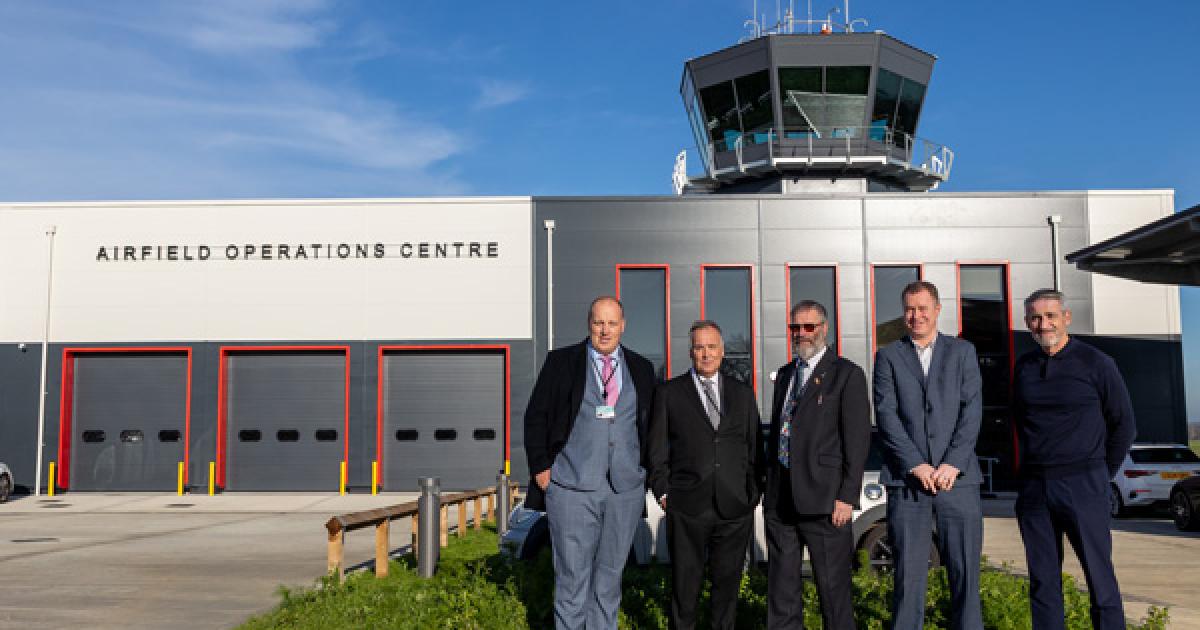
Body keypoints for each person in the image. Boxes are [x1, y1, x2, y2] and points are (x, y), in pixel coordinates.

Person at [523, 296, 658, 630]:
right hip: (571, 487)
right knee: (571, 579)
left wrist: (646, 475)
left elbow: (652, 427)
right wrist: (541, 468)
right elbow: (536, 416)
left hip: (624, 490)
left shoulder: (641, 368)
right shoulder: (561, 362)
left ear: (623, 326)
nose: (605, 330)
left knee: (610, 579)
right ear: (589, 323)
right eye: (599, 322)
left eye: (612, 323)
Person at [1013, 289, 1136, 630]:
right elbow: (1020, 421)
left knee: (1100, 579)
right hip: (1035, 489)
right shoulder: (1024, 367)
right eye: (1035, 318)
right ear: (1027, 322)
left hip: (1084, 484)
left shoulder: (1097, 363)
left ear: (1066, 317)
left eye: (1050, 316)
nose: (1044, 324)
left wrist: (1099, 475)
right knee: (1043, 582)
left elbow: (1124, 425)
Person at [873, 281, 984, 630]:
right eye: (909, 309)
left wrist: (952, 463)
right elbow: (886, 415)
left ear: (937, 309)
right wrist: (916, 464)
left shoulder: (962, 352)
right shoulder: (888, 356)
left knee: (965, 576)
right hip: (908, 483)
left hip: (958, 481)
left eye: (923, 308)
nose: (916, 315)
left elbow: (972, 411)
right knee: (908, 578)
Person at [760, 300, 870, 629]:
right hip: (781, 501)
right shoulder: (785, 375)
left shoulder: (846, 374)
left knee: (833, 596)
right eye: (795, 327)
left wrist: (847, 496)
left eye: (809, 327)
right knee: (781, 595)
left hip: (825, 502)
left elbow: (857, 440)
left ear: (824, 329)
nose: (802, 333)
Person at [646, 320, 761, 630]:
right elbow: (656, 450)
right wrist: (663, 492)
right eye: (699, 348)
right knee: (684, 591)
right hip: (686, 507)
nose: (706, 354)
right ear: (691, 352)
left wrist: (752, 494)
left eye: (712, 347)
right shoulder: (669, 393)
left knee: (727, 592)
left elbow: (754, 448)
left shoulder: (742, 393)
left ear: (722, 351)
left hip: (734, 508)